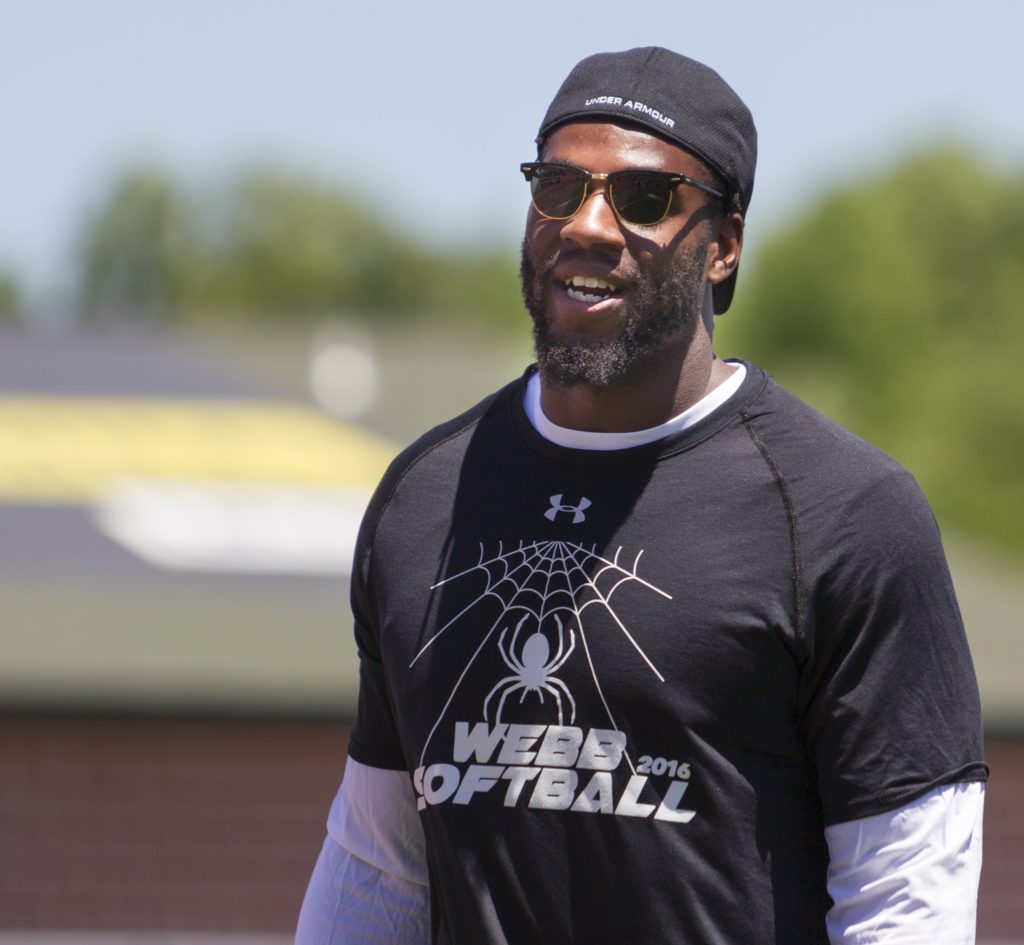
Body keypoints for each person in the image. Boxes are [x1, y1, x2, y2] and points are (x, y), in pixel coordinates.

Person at [296, 47, 988, 945]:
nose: (586, 223)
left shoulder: (845, 517)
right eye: (556, 185)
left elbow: (903, 896)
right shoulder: (423, 498)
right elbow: (380, 862)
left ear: (725, 245)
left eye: (644, 198)